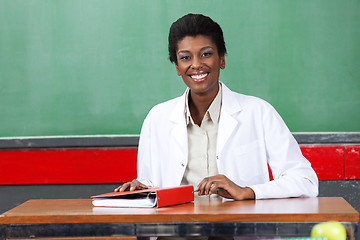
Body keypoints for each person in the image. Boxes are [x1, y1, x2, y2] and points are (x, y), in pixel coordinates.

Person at [115, 13, 318, 200]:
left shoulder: (258, 112)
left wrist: (248, 191)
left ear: (221, 59)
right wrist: (141, 188)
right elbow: (152, 181)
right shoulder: (157, 118)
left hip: (235, 229)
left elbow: (306, 181)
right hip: (176, 231)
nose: (196, 65)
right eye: (185, 57)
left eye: (206, 54)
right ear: (177, 67)